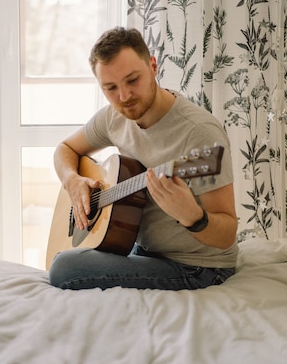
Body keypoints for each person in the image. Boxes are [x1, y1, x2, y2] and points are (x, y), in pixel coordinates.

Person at [48, 27, 238, 290]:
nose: (124, 96)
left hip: (197, 266)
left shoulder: (199, 134)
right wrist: (72, 180)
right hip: (142, 250)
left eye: (133, 80)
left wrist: (193, 216)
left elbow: (227, 235)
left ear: (153, 66)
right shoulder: (113, 118)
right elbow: (65, 149)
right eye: (111, 88)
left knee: (64, 268)